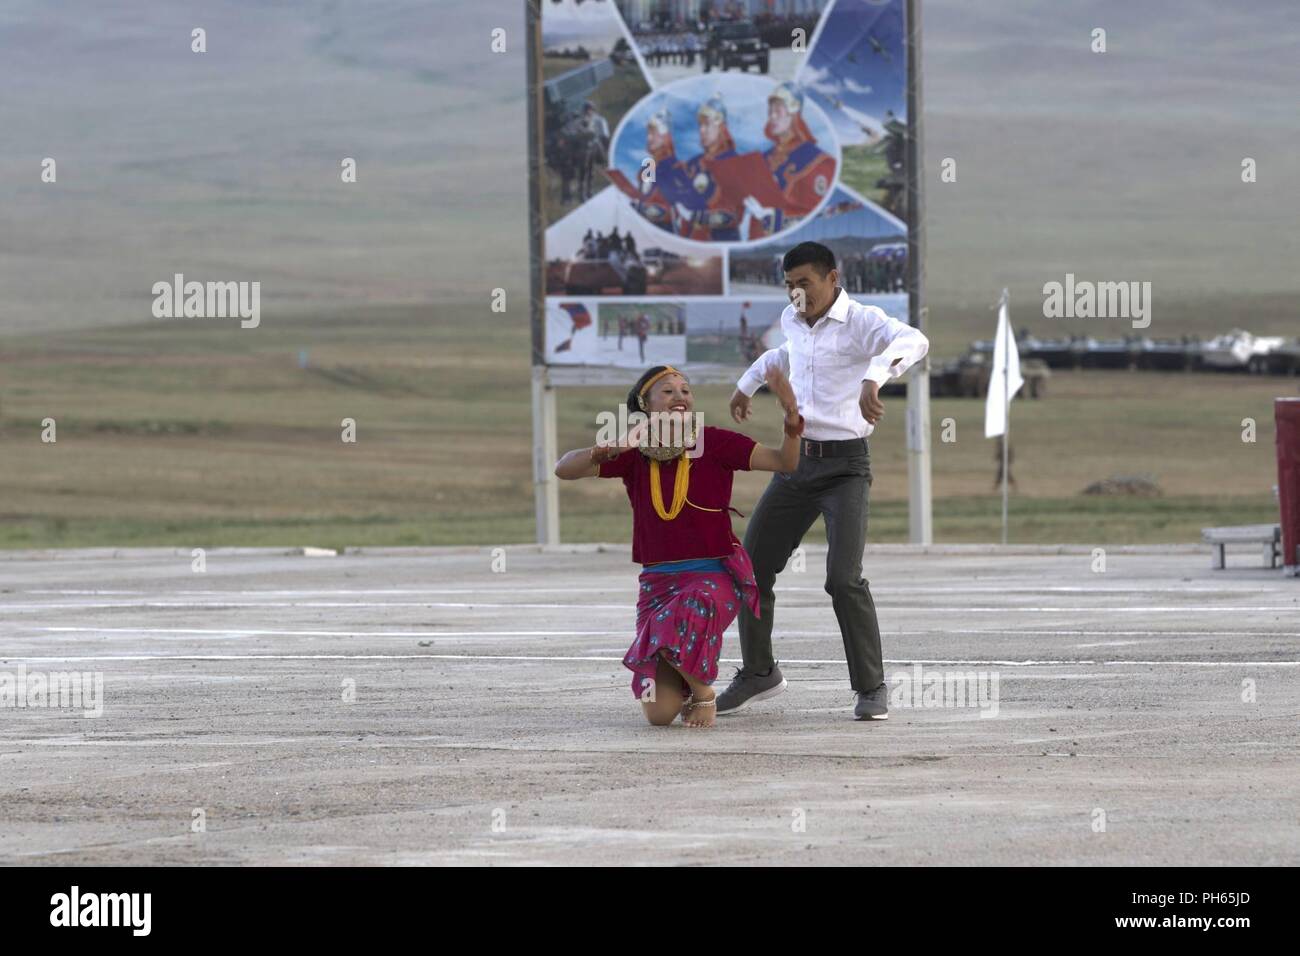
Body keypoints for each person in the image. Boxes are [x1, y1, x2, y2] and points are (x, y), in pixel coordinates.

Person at [721, 241, 929, 721]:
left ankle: (872, 687)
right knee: (749, 570)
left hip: (845, 468)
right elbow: (783, 355)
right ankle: (758, 672)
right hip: (797, 464)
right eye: (790, 285)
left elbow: (914, 341)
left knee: (842, 579)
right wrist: (746, 384)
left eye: (805, 284)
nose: (797, 294)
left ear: (833, 278)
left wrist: (872, 379)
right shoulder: (794, 319)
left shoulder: (861, 321)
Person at [554, 365, 804, 727]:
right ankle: (687, 679)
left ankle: (704, 693)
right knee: (659, 713)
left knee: (688, 607)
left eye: (685, 390)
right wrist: (611, 448)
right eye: (668, 391)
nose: (680, 396)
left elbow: (786, 462)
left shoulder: (715, 442)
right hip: (657, 583)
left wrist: (792, 421)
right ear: (646, 404)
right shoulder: (632, 453)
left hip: (713, 579)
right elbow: (564, 469)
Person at [761, 83, 837, 234]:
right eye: (770, 111)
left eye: (778, 111)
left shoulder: (819, 161)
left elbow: (817, 217)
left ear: (793, 112)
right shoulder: (763, 158)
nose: (772, 117)